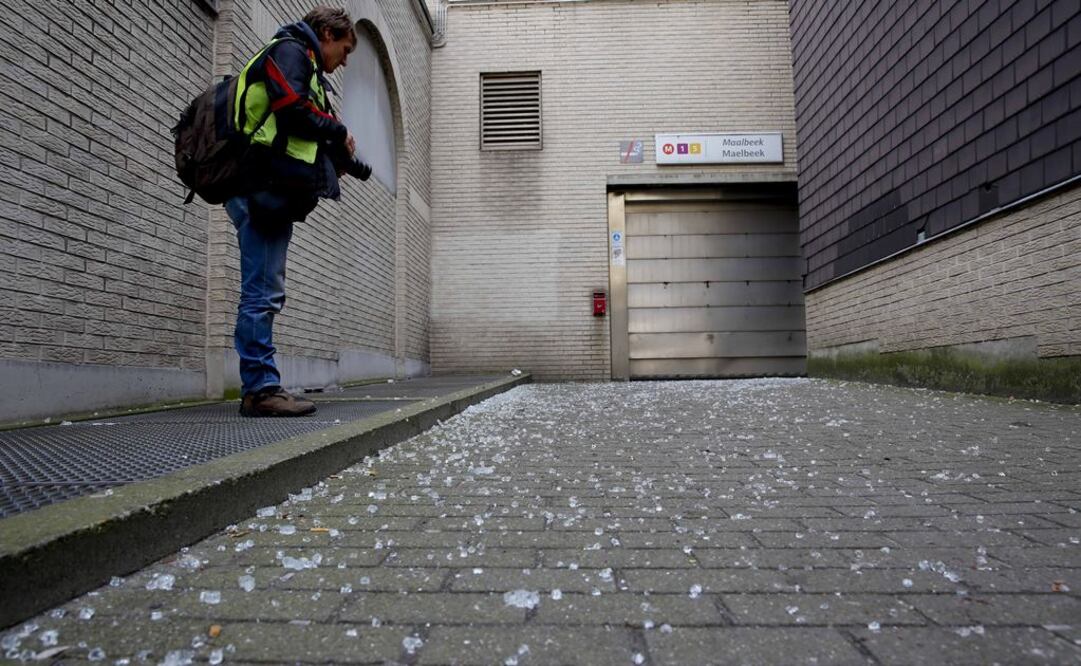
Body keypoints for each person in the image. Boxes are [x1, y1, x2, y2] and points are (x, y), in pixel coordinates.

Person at [226, 6, 371, 417]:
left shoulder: (305, 66)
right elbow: (291, 108)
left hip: (266, 190)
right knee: (262, 292)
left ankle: (260, 384)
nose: (343, 61)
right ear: (326, 33)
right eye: (343, 50)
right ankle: (260, 390)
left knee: (265, 289)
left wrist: (352, 162)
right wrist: (338, 132)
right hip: (257, 189)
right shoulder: (291, 52)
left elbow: (310, 130)